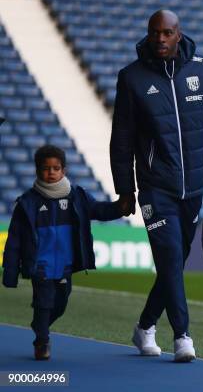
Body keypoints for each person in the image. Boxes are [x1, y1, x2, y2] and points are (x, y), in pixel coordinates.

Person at [110, 10, 203, 362]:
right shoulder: (131, 78)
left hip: (193, 189)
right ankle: (183, 336)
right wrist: (125, 188)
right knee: (171, 257)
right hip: (154, 188)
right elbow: (122, 139)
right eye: (154, 33)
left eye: (166, 33)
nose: (159, 39)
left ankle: (145, 327)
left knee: (173, 263)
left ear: (179, 35)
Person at [2, 145, 126, 360]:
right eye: (46, 168)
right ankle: (42, 342)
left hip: (65, 265)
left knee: (60, 304)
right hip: (41, 265)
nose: (51, 172)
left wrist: (119, 208)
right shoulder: (27, 203)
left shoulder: (77, 196)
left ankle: (39, 324)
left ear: (64, 171)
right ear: (37, 171)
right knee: (45, 301)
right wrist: (10, 273)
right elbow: (14, 241)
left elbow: (99, 210)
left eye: (56, 168)